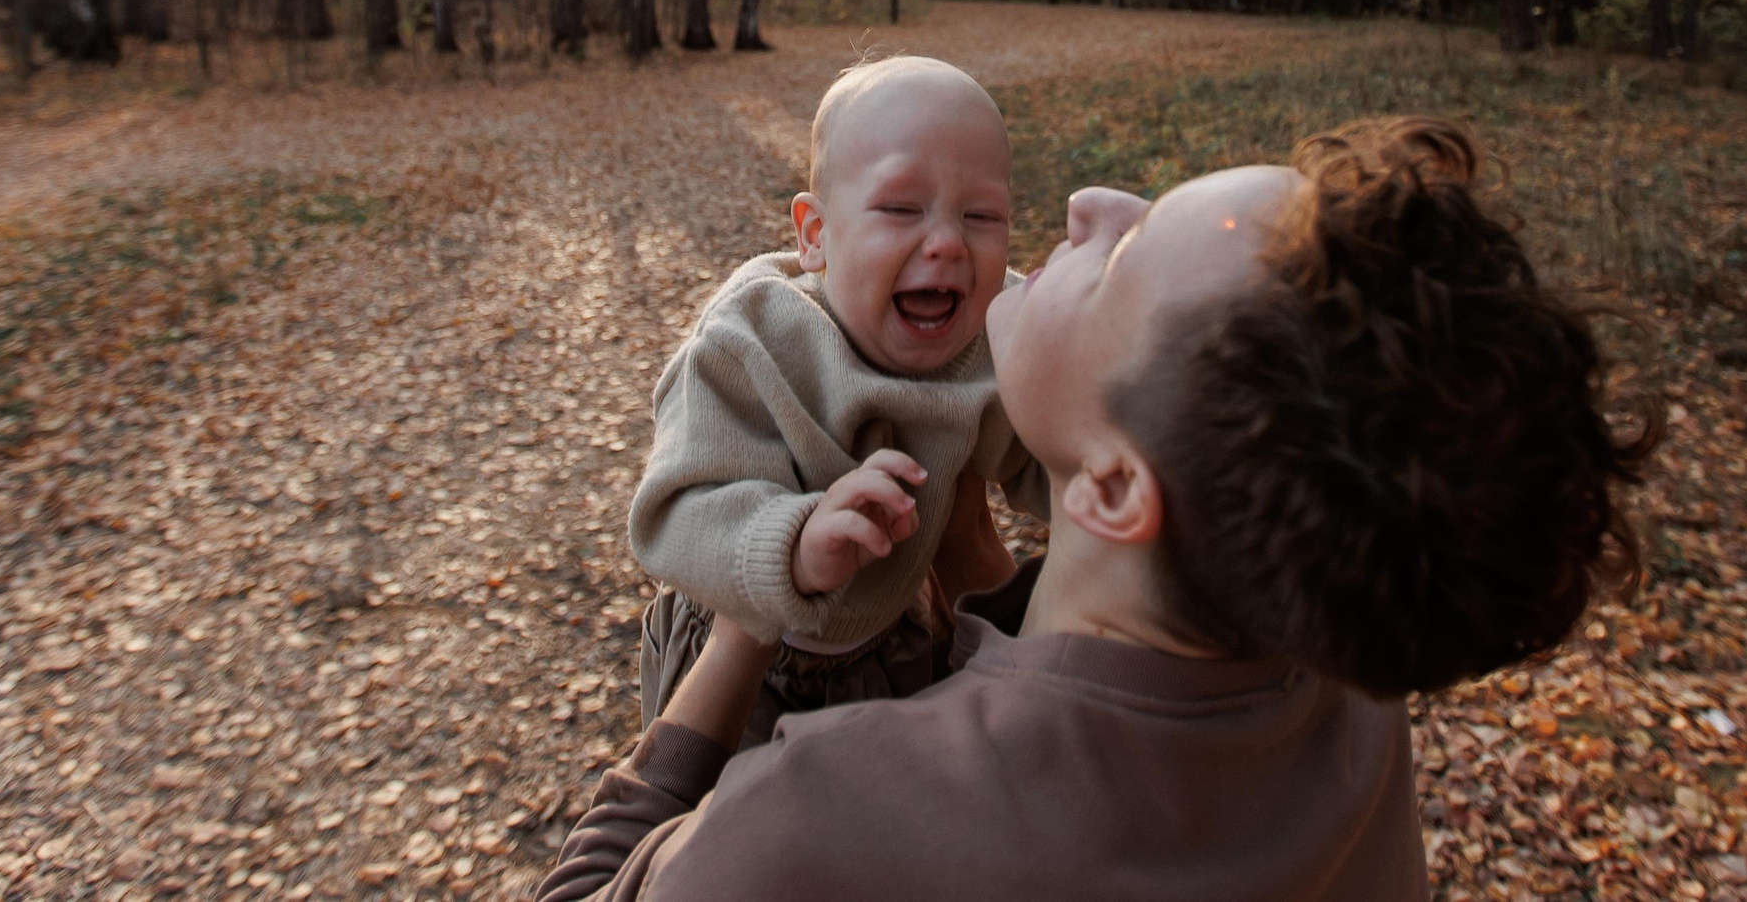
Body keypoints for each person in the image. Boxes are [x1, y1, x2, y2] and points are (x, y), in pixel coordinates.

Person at [541, 118, 1657, 901]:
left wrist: (746, 619)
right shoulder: (1344, 707)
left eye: (1123, 255)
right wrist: (976, 566)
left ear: (1116, 486)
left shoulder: (820, 813)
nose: (1087, 204)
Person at [628, 56, 1049, 744]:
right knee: (738, 831)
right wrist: (792, 544)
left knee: (894, 817)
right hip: (752, 655)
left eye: (982, 214)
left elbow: (1061, 455)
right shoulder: (755, 339)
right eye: (900, 208)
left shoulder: (996, 333)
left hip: (900, 632)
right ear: (815, 235)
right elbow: (673, 513)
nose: (946, 242)